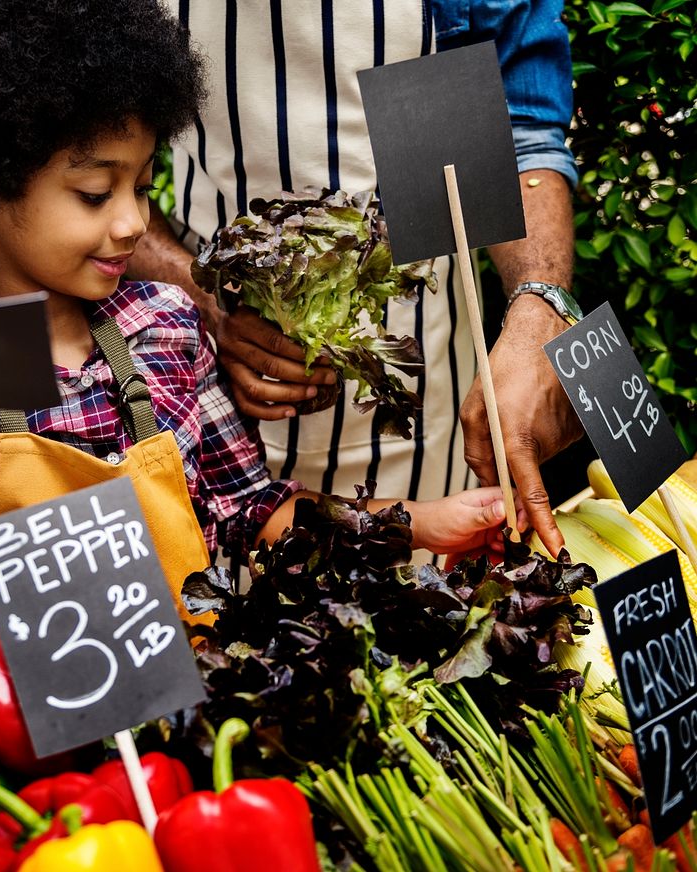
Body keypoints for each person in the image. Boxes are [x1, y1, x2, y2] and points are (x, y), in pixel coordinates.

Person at [0, 0, 528, 657]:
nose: (130, 222)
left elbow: (256, 513)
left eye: (144, 188)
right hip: (26, 737)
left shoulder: (167, 324)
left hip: (198, 709)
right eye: (97, 194)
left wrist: (422, 524)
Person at [128, 1, 580, 561]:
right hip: (213, 403)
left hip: (430, 400)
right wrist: (203, 306)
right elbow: (78, 169)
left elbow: (522, 135)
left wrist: (540, 307)